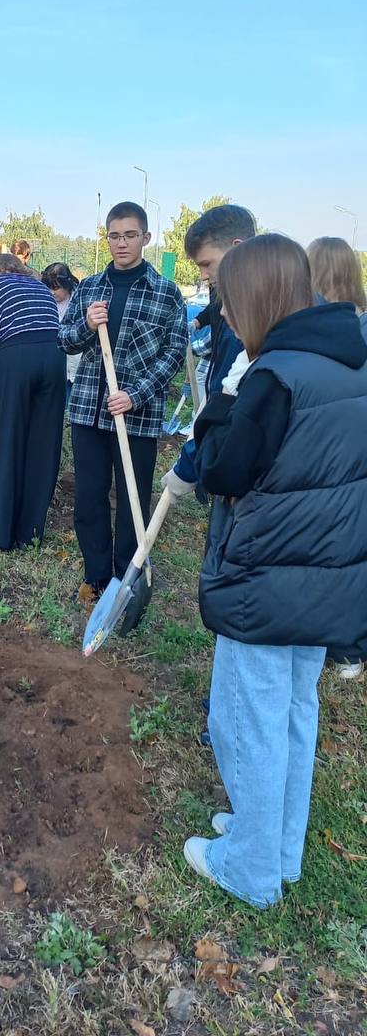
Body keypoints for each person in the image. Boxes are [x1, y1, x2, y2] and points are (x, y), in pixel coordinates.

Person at [183, 234, 367, 908]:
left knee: (248, 721)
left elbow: (223, 470)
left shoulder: (272, 376)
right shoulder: (350, 358)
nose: (227, 316)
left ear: (257, 298)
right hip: (328, 576)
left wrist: (221, 403)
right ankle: (278, 846)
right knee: (293, 711)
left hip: (266, 578)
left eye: (230, 302)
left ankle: (249, 869)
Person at [59, 202, 187, 600]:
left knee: (133, 499)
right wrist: (87, 324)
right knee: (89, 497)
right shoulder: (89, 288)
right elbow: (65, 339)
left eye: (130, 235)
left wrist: (136, 395)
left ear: (145, 238)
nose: (121, 243)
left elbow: (174, 354)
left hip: (137, 415)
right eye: (114, 236)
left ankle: (127, 578)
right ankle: (97, 576)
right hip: (88, 410)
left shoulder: (166, 293)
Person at [161, 204, 257, 498]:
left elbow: (226, 402)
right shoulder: (235, 295)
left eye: (207, 264)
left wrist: (188, 467)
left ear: (237, 249)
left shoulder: (250, 313)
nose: (203, 275)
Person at [0, 253, 65, 550]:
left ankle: (1, 532)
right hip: (54, 358)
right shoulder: (40, 286)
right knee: (44, 446)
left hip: (17, 357)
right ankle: (31, 532)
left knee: (8, 444)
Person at [308, 235, 367, 680]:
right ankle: (343, 641)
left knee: (341, 549)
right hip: (343, 455)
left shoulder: (340, 330)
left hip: (342, 456)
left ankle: (346, 645)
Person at [41, 262, 81, 395]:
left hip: (75, 366)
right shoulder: (44, 301)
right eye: (48, 288)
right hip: (51, 367)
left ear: (67, 284)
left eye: (56, 288)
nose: (52, 292)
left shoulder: (80, 301)